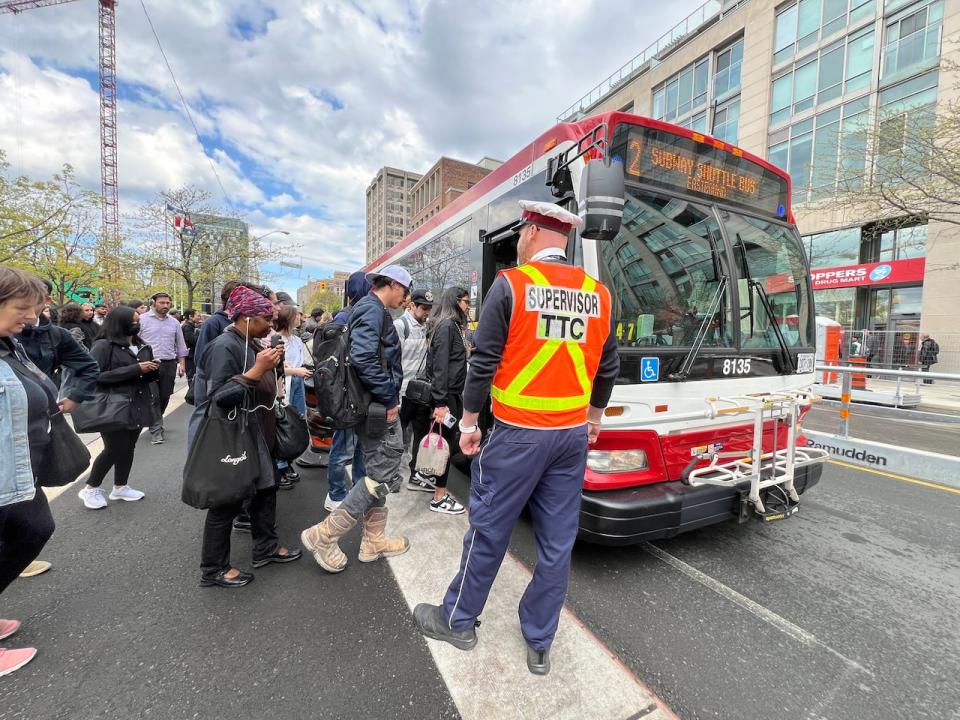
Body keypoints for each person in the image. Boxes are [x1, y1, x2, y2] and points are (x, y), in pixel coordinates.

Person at [412, 201, 620, 676]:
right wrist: (593, 417)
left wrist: (467, 424)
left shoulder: (512, 285)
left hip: (519, 436)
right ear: (564, 241)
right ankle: (539, 640)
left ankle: (457, 620)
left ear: (529, 233)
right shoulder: (599, 295)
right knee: (556, 542)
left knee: (488, 530)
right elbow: (607, 367)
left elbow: (482, 362)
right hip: (570, 437)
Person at [300, 265, 412, 573]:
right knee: (382, 475)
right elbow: (363, 357)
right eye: (405, 290)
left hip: (370, 404)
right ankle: (324, 535)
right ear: (391, 285)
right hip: (377, 406)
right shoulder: (373, 310)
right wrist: (389, 397)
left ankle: (373, 541)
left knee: (379, 472)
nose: (406, 298)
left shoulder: (368, 309)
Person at [198, 285, 302, 588]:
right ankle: (214, 568)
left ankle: (265, 547)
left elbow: (266, 378)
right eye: (265, 318)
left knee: (266, 490)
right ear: (245, 317)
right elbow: (218, 396)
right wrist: (257, 371)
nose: (270, 324)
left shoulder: (251, 342)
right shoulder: (224, 346)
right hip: (236, 436)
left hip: (260, 431)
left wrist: (275, 365)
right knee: (227, 503)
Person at [0, 267, 59, 676]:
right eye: (23, 308)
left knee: (35, 529)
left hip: (19, 469)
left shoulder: (9, 345)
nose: (32, 318)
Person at [77, 306, 158, 509]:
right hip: (112, 405)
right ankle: (91, 487)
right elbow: (94, 376)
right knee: (114, 448)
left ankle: (120, 486)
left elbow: (142, 375)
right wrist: (135, 369)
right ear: (119, 323)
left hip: (137, 403)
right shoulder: (104, 346)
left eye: (138, 320)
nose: (137, 324)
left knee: (129, 447)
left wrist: (152, 370)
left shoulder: (141, 345)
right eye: (133, 321)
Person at [409, 287, 468, 515]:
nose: (467, 306)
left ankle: (428, 477)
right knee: (445, 444)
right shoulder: (446, 326)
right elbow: (440, 367)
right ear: (454, 302)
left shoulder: (451, 326)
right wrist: (441, 403)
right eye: (464, 302)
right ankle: (439, 497)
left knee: (444, 441)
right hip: (446, 398)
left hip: (451, 396)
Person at [321, 272, 370, 510]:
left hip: (358, 395)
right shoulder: (345, 318)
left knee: (360, 448)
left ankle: (355, 492)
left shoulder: (356, 314)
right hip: (347, 395)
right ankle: (336, 494)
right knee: (343, 449)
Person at [137, 292, 187, 444]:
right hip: (148, 364)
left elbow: (180, 345)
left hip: (168, 364)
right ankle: (156, 431)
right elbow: (134, 342)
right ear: (153, 303)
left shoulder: (174, 323)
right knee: (154, 398)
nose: (165, 306)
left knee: (165, 395)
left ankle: (155, 419)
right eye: (162, 303)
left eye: (167, 303)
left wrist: (182, 364)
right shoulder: (141, 320)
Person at [395, 288, 433, 480]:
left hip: (418, 391)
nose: (427, 312)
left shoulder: (425, 326)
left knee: (414, 432)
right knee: (398, 433)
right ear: (412, 306)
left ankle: (412, 470)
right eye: (424, 308)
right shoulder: (400, 326)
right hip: (401, 391)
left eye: (429, 308)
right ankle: (393, 473)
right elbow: (392, 361)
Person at [276, 305, 309, 416]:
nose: (299, 317)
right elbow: (275, 369)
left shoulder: (297, 340)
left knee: (300, 414)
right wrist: (296, 371)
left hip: (298, 380)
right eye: (296, 315)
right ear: (289, 318)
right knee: (287, 414)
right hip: (283, 383)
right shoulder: (276, 339)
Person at [181, 308, 201, 385]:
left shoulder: (190, 326)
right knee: (192, 378)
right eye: (198, 316)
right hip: (190, 357)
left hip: (190, 356)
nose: (199, 317)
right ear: (190, 316)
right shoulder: (187, 327)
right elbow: (193, 340)